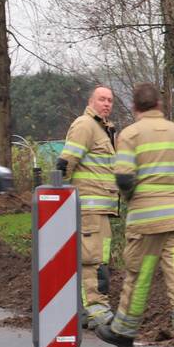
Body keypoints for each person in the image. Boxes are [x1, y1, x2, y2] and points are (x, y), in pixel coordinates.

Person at [95, 83, 174, 347]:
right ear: (160, 104)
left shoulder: (130, 134)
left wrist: (133, 197)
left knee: (140, 275)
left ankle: (124, 331)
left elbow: (123, 176)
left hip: (145, 222)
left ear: (134, 108)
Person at [57, 85, 119, 330]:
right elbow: (67, 161)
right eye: (102, 99)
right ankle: (94, 310)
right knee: (92, 259)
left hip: (101, 208)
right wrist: (56, 195)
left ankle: (91, 308)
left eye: (110, 100)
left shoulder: (103, 129)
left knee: (99, 258)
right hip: (90, 207)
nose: (106, 104)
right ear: (91, 101)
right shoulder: (85, 125)